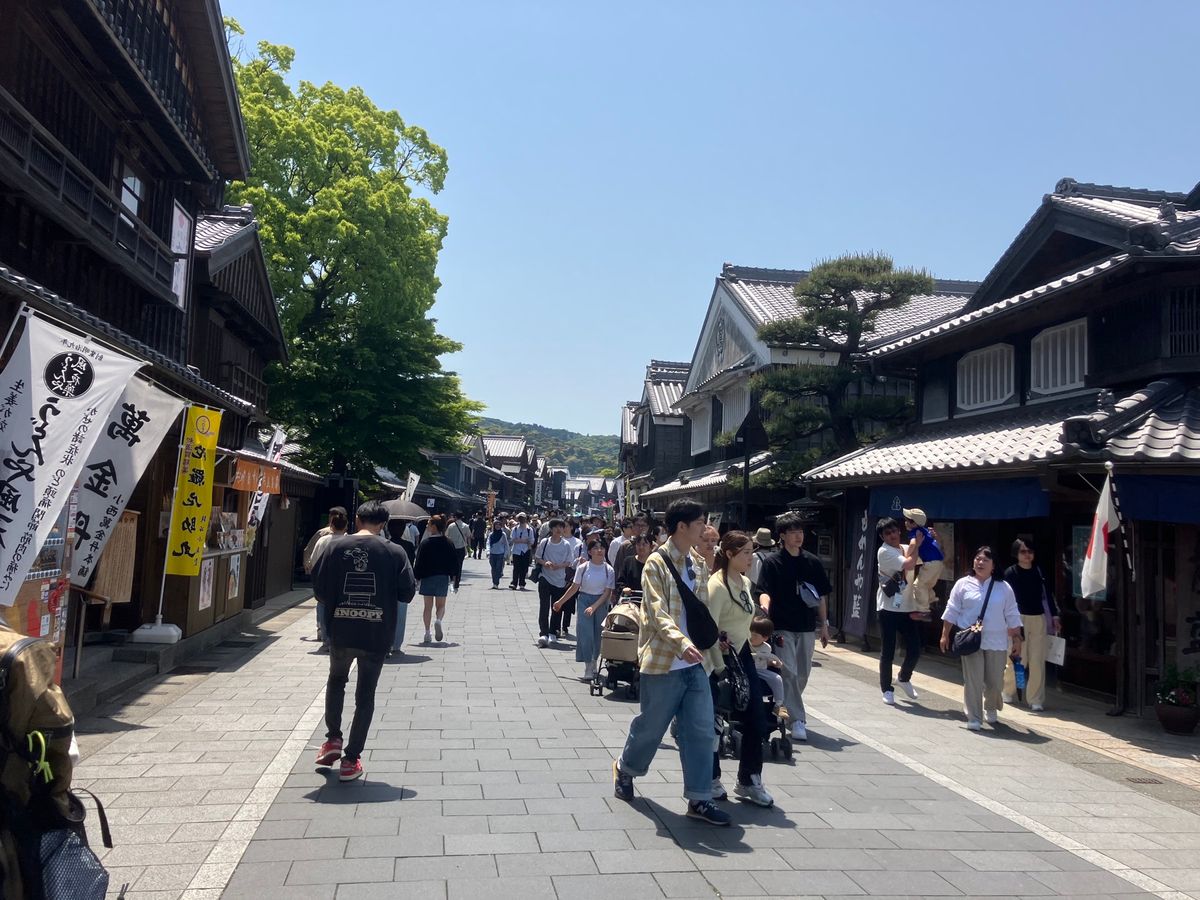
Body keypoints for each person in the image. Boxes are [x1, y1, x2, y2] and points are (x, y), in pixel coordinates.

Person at [611, 499, 730, 827]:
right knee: (651, 728)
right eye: (700, 523)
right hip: (664, 661)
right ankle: (625, 767)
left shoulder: (696, 562)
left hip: (696, 663)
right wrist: (682, 642)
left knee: (702, 731)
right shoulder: (656, 563)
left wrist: (712, 639)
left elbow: (700, 608)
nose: (705, 530)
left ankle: (699, 798)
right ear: (682, 526)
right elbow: (655, 611)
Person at [312, 500, 416, 781]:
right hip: (377, 633)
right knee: (365, 695)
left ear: (357, 519)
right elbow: (407, 593)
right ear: (382, 524)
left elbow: (319, 590)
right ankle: (351, 759)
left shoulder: (335, 547)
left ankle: (333, 738)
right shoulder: (395, 552)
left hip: (342, 630)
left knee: (336, 681)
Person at [705, 530, 773, 807]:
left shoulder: (745, 582)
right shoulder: (716, 586)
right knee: (714, 722)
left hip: (743, 653)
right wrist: (720, 667)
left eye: (751, 551)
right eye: (745, 552)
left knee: (757, 717)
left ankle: (749, 779)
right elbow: (709, 630)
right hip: (718, 660)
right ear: (730, 554)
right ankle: (710, 777)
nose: (750, 557)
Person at [757, 511, 832, 742]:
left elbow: (821, 596)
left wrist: (825, 625)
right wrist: (765, 610)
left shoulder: (812, 562)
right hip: (781, 625)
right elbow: (763, 591)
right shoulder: (772, 562)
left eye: (800, 532)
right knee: (788, 670)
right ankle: (798, 719)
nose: (798, 536)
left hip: (807, 626)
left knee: (802, 673)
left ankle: (785, 706)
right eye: (793, 532)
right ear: (782, 536)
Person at [940, 546, 1023, 731]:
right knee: (973, 680)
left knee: (995, 682)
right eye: (977, 558)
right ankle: (974, 716)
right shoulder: (963, 584)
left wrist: (1017, 639)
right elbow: (951, 609)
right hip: (970, 639)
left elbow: (1012, 613)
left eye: (985, 560)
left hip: (997, 640)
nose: (980, 562)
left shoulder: (1004, 587)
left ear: (993, 565)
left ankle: (991, 706)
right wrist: (945, 634)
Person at [1002, 539, 1061, 711]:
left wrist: (1055, 616)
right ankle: (1008, 690)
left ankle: (1035, 698)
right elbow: (1006, 600)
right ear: (1016, 554)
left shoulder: (1039, 571)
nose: (1027, 555)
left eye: (1030, 551)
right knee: (1017, 657)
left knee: (1037, 660)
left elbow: (1048, 595)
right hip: (1017, 618)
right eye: (1023, 551)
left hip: (1038, 618)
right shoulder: (1010, 573)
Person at [553, 539, 615, 680]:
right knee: (585, 634)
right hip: (584, 600)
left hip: (601, 603)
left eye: (602, 548)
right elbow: (574, 587)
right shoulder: (583, 567)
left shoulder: (608, 569)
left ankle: (594, 661)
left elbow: (607, 592)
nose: (599, 550)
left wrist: (594, 606)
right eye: (596, 548)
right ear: (589, 552)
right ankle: (588, 664)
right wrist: (560, 602)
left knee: (598, 635)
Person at [876, 518, 921, 705]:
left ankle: (903, 677)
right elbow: (909, 564)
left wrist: (927, 539)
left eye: (894, 531)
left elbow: (923, 556)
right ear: (882, 537)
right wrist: (916, 543)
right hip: (887, 607)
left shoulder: (904, 547)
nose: (893, 535)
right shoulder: (884, 551)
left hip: (907, 606)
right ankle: (886, 689)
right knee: (888, 650)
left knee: (915, 648)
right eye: (888, 533)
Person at [413, 514, 458, 644]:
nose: (427, 526)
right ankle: (438, 620)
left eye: (428, 524)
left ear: (434, 526)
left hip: (427, 577)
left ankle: (427, 632)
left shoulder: (425, 543)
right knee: (441, 605)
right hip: (442, 577)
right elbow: (454, 562)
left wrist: (417, 578)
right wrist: (454, 579)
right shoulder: (448, 543)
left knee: (427, 606)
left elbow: (419, 562)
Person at [308, 507, 348, 650]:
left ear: (331, 525)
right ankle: (339, 637)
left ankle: (325, 639)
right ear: (346, 526)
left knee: (323, 606)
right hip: (343, 581)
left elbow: (312, 560)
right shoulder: (349, 541)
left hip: (323, 580)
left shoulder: (323, 540)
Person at [533, 518, 574, 647]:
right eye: (555, 527)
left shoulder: (566, 544)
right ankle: (543, 633)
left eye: (561, 527)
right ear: (551, 529)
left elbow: (569, 562)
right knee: (544, 606)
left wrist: (559, 566)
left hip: (559, 580)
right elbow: (537, 557)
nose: (558, 529)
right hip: (544, 577)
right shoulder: (545, 542)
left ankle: (553, 632)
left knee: (556, 606)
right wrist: (545, 563)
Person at [901, 507, 945, 621]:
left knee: (919, 585)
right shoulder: (925, 530)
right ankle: (932, 600)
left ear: (913, 523)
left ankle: (923, 611)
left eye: (907, 519)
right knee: (927, 585)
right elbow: (937, 543)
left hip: (930, 563)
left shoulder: (915, 532)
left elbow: (912, 544)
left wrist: (906, 556)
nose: (905, 522)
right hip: (938, 562)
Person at [748, 617, 785, 709]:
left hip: (761, 670)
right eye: (750, 634)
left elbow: (767, 661)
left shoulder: (766, 648)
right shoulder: (746, 644)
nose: (751, 637)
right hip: (746, 668)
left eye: (755, 635)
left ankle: (779, 704)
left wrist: (774, 663)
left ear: (765, 638)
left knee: (777, 678)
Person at [444, 512, 471, 593]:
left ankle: (452, 578)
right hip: (461, 548)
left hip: (451, 548)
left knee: (451, 564)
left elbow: (446, 535)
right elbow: (469, 535)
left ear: (455, 517)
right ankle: (457, 582)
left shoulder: (451, 526)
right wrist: (469, 546)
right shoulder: (465, 526)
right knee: (459, 565)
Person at [509, 513, 536, 590]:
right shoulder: (515, 529)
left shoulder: (529, 529)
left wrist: (521, 541)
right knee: (516, 567)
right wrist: (524, 540)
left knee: (524, 567)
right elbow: (513, 539)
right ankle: (514, 583)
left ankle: (522, 583)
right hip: (516, 550)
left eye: (523, 518)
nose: (521, 520)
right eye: (520, 518)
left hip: (526, 550)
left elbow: (531, 541)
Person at [748, 527, 775, 604]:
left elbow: (748, 575)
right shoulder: (775, 556)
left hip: (756, 588)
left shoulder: (754, 556)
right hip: (771, 588)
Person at [486, 519, 510, 588]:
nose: (498, 526)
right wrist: (488, 552)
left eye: (499, 525)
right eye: (496, 525)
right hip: (492, 554)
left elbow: (506, 545)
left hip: (500, 554)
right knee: (493, 569)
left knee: (498, 569)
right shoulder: (491, 534)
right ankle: (494, 582)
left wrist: (506, 554)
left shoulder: (503, 534)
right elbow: (488, 543)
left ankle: (496, 583)